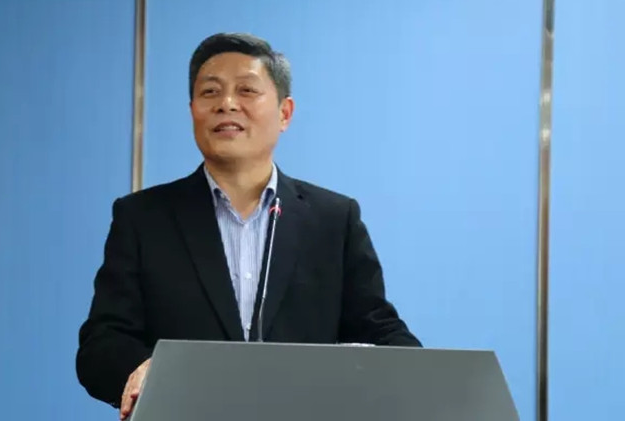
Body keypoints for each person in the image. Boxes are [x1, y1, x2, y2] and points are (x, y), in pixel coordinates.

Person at [76, 32, 421, 420]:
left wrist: (425, 380)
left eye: (246, 90)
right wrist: (143, 370)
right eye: (210, 92)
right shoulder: (143, 217)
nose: (226, 104)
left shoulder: (333, 219)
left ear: (285, 113)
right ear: (192, 110)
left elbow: (379, 331)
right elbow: (102, 344)